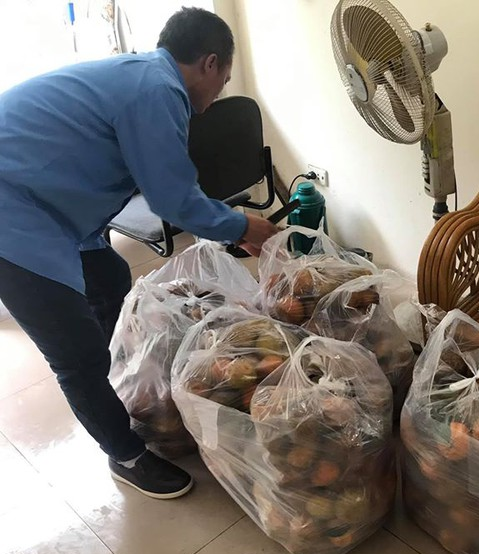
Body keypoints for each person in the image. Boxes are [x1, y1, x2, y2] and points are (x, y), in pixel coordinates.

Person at [0, 8, 278, 499]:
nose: (218, 96)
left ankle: (129, 382)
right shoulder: (157, 90)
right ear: (210, 63)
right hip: (14, 216)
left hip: (48, 203)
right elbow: (172, 199)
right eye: (223, 80)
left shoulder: (144, 76)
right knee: (75, 354)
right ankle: (126, 454)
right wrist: (241, 226)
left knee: (109, 277)